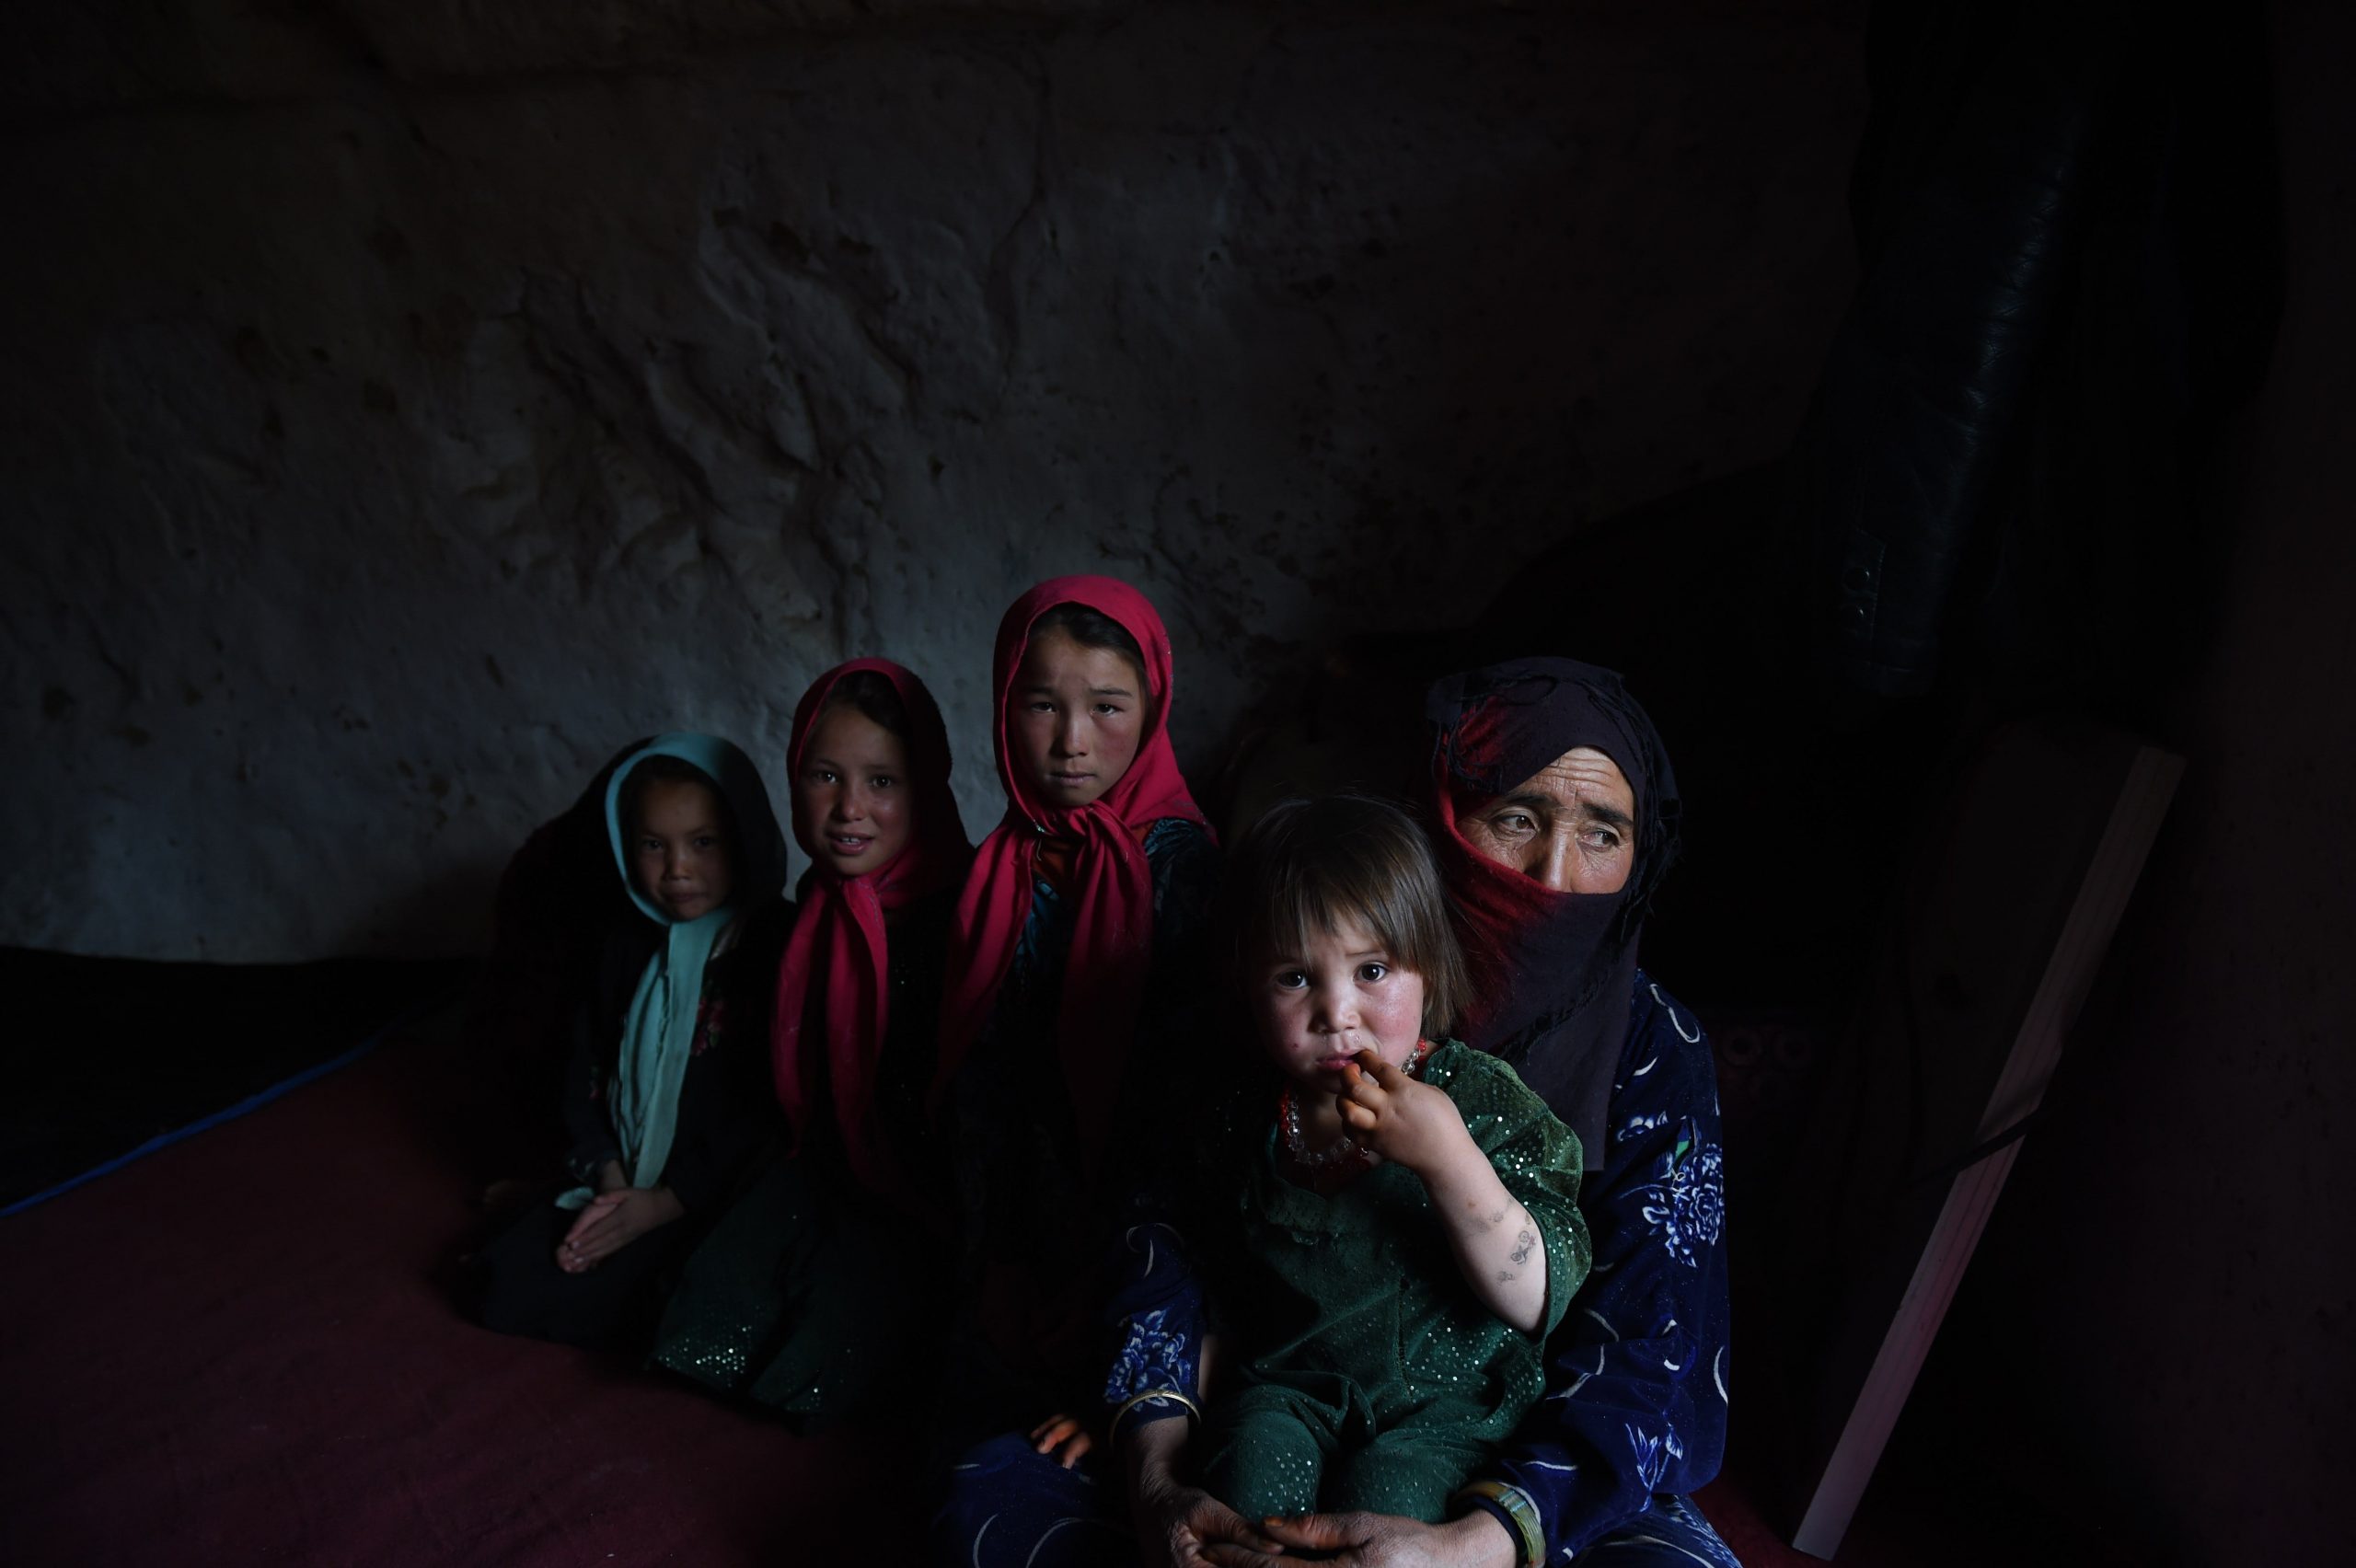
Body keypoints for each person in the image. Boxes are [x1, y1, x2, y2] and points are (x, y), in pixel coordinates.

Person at [940, 657, 1736, 1568]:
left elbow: (1650, 1341)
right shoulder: (1266, 987)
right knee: (1001, 1502)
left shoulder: (1651, 1045)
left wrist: (1475, 1541)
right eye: (1515, 817)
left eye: (1603, 833)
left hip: (1528, 1463)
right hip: (1274, 1393)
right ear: (1437, 816)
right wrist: (1155, 1459)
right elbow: (1169, 1234)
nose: (1552, 874)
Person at [1181, 796, 1590, 1525]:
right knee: (1248, 1477)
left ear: (1429, 971)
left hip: (1445, 1408)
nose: (1337, 1014)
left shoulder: (1474, 1097)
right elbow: (1219, 1280)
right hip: (1294, 1387)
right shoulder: (1246, 1119)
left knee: (1389, 1504)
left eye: (1372, 970)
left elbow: (1536, 1296)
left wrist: (1449, 1158)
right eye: (1295, 978)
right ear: (1250, 990)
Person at [933, 575, 1220, 1448]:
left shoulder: (1184, 870)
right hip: (1022, 1209)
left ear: (1154, 708)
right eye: (1040, 706)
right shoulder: (1000, 866)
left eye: (1106, 707)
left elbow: (1184, 1110)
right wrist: (1001, 1259)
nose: (1070, 743)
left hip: (1144, 1227)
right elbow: (980, 1081)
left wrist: (1097, 1275)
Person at [650, 662, 970, 1423]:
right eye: (825, 776)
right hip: (815, 1164)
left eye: (883, 782)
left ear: (923, 787)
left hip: (925, 1193)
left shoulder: (961, 919)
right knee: (691, 1330)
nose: (849, 808)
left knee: (825, 1376)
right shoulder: (807, 911)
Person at [469, 734, 791, 1355]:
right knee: (498, 1285)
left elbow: (767, 1109)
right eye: (652, 845)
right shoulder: (626, 943)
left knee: (709, 1310)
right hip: (621, 1184)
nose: (677, 869)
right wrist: (613, 1185)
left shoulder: (772, 947)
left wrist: (663, 1204)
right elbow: (584, 1072)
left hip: (710, 1198)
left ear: (744, 833)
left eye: (703, 842)